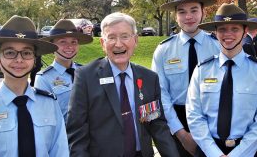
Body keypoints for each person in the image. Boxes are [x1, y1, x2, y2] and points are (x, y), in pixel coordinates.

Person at [67, 12, 179, 157]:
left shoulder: (149, 78)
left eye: (125, 36)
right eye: (111, 37)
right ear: (102, 43)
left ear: (135, 40)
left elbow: (156, 125)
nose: (118, 44)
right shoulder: (85, 77)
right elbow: (77, 133)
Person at [0, 15, 69, 156]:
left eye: (27, 53)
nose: (19, 59)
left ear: (34, 59)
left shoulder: (50, 103)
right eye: (10, 52)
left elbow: (60, 151)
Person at [186, 3, 257, 157]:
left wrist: (237, 154)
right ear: (216, 32)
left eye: (235, 29)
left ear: (245, 32)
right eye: (222, 29)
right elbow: (194, 115)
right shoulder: (202, 70)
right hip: (208, 151)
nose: (227, 34)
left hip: (248, 151)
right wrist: (214, 153)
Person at [151, 0, 220, 156]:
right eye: (182, 12)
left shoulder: (218, 46)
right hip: (176, 121)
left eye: (194, 10)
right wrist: (180, 133)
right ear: (176, 16)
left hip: (213, 121)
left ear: (203, 12)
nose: (188, 16)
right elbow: (161, 93)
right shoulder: (163, 50)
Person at [34, 19, 93, 122]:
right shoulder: (44, 79)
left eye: (73, 42)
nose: (69, 46)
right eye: (63, 42)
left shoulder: (85, 72)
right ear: (53, 46)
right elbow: (45, 117)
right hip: (65, 135)